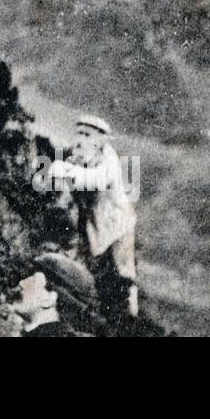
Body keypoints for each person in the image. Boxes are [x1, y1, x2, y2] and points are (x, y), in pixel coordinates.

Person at [47, 115, 138, 326]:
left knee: (123, 277)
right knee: (96, 272)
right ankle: (98, 317)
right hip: (96, 224)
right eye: (78, 133)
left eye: (87, 135)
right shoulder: (80, 157)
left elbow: (94, 180)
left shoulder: (108, 160)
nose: (80, 139)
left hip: (118, 225)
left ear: (100, 140)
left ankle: (126, 322)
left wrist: (63, 169)